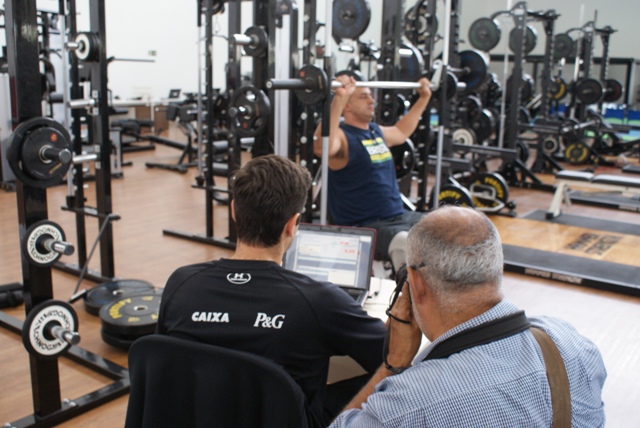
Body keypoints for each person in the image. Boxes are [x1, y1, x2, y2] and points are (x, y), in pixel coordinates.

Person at [156, 154, 386, 427]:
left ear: (233, 211)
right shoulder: (319, 302)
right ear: (292, 225)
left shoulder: (180, 283)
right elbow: (393, 357)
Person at [330, 205, 607, 427]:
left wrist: (393, 365)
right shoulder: (573, 346)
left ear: (415, 283)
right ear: (495, 266)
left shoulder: (409, 403)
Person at [313, 74, 432, 272]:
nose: (372, 101)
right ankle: (409, 298)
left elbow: (402, 132)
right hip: (366, 226)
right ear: (347, 106)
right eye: (364, 97)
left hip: (399, 217)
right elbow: (322, 147)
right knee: (405, 243)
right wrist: (338, 99)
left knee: (447, 225)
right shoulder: (342, 136)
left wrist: (424, 98)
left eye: (371, 96)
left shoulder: (376, 131)